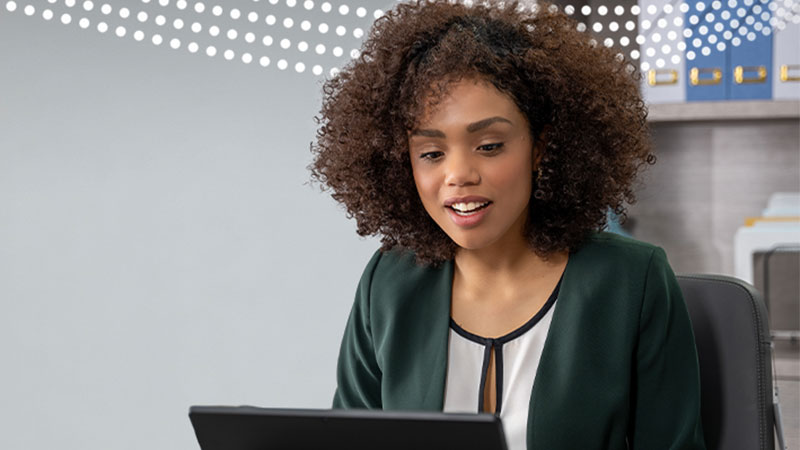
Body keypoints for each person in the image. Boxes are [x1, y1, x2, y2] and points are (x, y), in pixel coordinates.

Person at [309, 1, 706, 449]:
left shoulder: (631, 281)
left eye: (490, 145)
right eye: (432, 154)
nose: (458, 175)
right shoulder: (389, 283)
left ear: (541, 147)